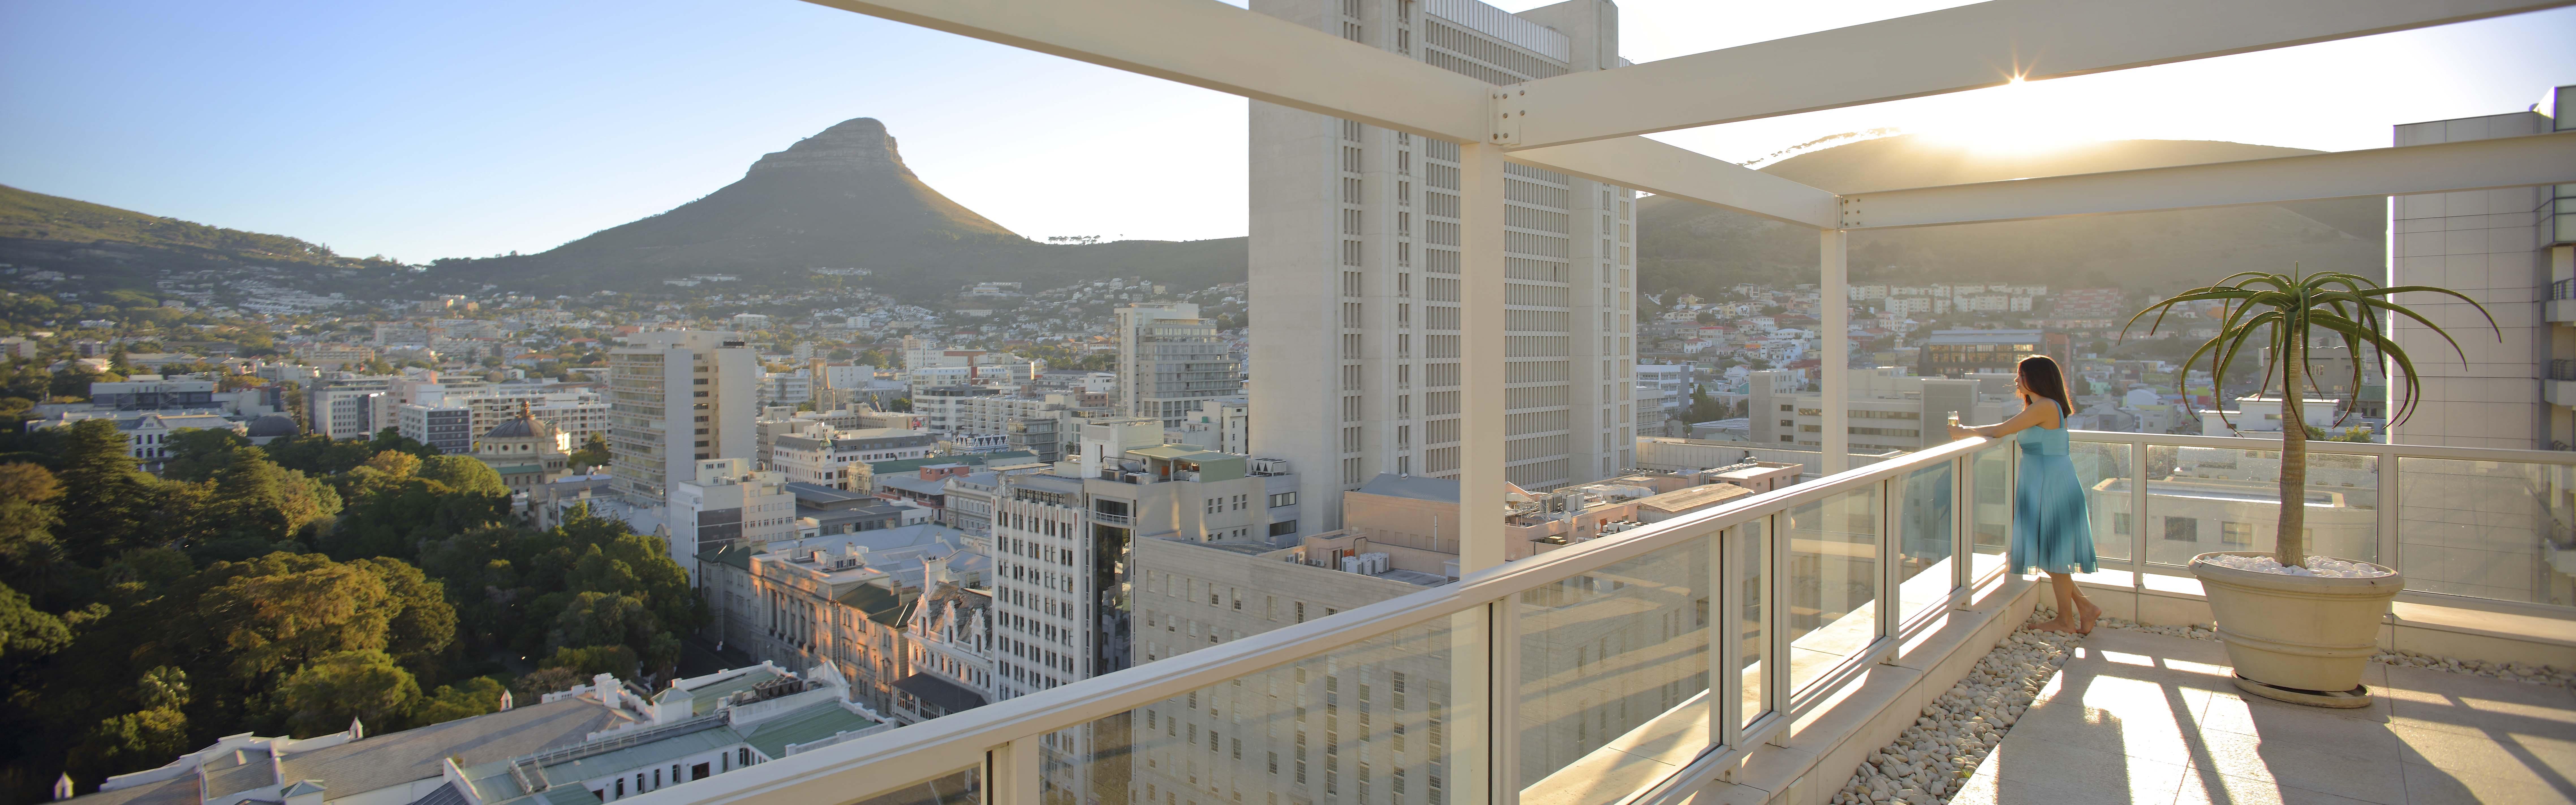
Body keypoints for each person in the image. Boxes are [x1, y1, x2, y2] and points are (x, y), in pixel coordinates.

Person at [1948, 355, 2101, 634]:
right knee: (2049, 551)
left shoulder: (2044, 406)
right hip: (2046, 480)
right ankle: (2082, 610)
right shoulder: (2043, 407)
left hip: (2049, 483)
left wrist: (1962, 432)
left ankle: (2068, 618)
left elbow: (2001, 430)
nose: (2016, 380)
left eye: (2021, 375)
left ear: (2036, 378)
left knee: (2050, 551)